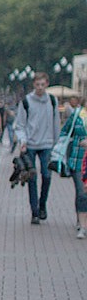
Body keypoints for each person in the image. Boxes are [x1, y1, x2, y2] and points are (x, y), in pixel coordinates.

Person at [14, 72, 61, 224]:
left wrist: (57, 144)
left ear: (47, 84)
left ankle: (42, 204)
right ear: (34, 84)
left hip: (47, 143)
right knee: (32, 178)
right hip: (31, 144)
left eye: (43, 84)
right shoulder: (26, 101)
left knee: (47, 175)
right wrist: (22, 140)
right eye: (37, 84)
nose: (40, 87)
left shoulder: (52, 101)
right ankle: (34, 212)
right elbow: (20, 124)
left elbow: (56, 124)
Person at [63, 94, 87, 237]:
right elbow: (65, 132)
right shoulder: (78, 116)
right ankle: (81, 223)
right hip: (78, 159)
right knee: (82, 191)